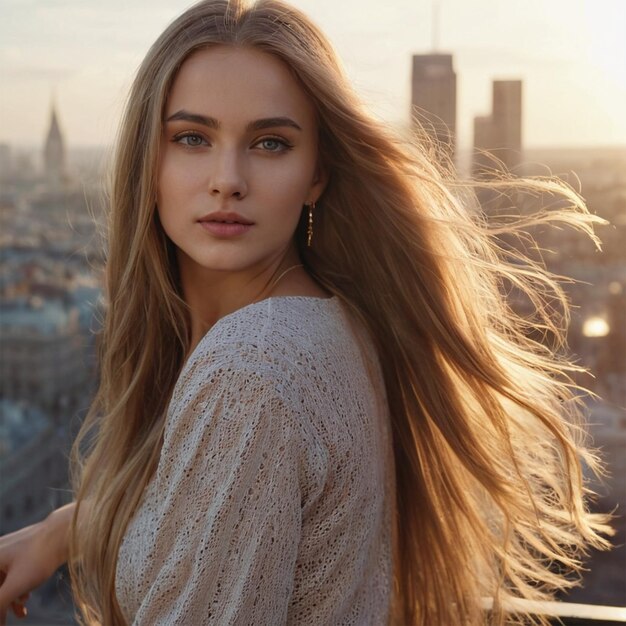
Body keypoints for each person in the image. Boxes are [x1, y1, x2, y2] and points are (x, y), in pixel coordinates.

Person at [0, 1, 613, 624]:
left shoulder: (250, 369)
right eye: (192, 138)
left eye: (270, 143)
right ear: (147, 161)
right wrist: (68, 528)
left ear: (316, 173)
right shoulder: (331, 322)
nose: (227, 179)